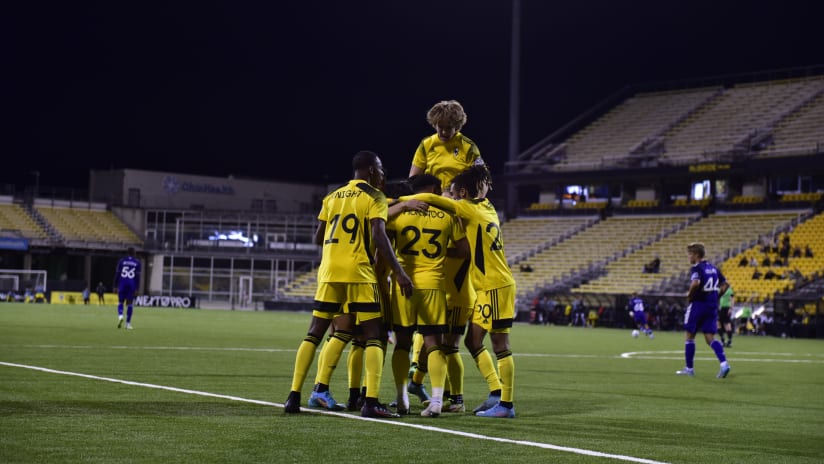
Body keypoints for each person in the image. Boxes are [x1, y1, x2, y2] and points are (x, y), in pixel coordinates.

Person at [283, 150, 414, 419]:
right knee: (374, 335)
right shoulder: (374, 196)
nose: (381, 172)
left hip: (329, 271)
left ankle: (293, 396)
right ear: (367, 169)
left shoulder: (331, 197)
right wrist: (399, 272)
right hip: (358, 271)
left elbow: (319, 237)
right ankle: (371, 402)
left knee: (314, 333)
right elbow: (379, 235)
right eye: (378, 167)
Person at [400, 165, 517, 418]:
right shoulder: (487, 207)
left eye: (453, 193)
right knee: (472, 341)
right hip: (488, 288)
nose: (450, 198)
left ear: (463, 193)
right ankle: (496, 394)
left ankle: (505, 404)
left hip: (495, 286)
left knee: (499, 344)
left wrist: (398, 201)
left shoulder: (468, 208)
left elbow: (432, 199)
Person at [387, 173, 470, 417]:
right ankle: (435, 400)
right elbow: (464, 251)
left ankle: (402, 398)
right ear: (434, 189)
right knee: (434, 343)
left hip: (404, 284)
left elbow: (376, 222)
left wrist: (402, 204)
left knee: (402, 343)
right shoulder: (448, 214)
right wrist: (441, 253)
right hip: (433, 284)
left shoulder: (400, 211)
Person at [676, 242, 731, 378]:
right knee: (710, 337)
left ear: (696, 255)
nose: (688, 257)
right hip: (711, 305)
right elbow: (725, 284)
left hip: (698, 304)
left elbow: (695, 283)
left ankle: (689, 369)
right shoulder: (713, 268)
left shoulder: (697, 268)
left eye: (689, 254)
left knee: (689, 336)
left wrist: (690, 295)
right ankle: (724, 364)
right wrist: (717, 296)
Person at [409, 100, 484, 192]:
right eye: (440, 127)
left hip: (458, 199)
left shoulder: (469, 146)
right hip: (432, 198)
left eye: (448, 128)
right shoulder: (426, 144)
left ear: (457, 126)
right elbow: (414, 179)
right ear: (434, 125)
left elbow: (483, 179)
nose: (444, 132)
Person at [114, 247, 141, 329]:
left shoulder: (121, 261)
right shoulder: (137, 262)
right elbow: (138, 277)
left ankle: (120, 316)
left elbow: (117, 274)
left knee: (120, 302)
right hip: (131, 285)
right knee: (130, 304)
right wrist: (137, 288)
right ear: (134, 253)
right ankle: (127, 324)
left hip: (122, 284)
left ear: (127, 253)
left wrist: (115, 286)